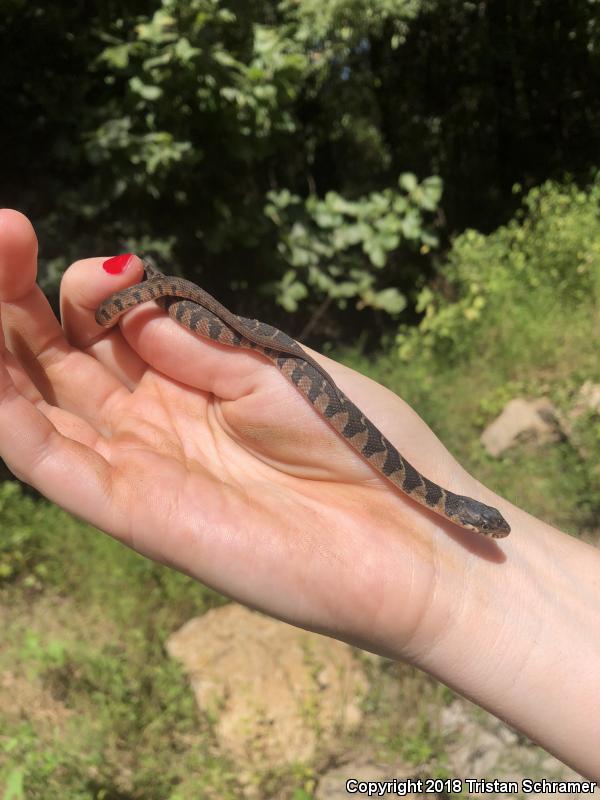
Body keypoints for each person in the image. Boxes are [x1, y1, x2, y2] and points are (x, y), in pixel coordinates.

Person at [0, 209, 598, 780]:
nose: (490, 531)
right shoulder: (422, 490)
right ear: (462, 515)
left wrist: (452, 591)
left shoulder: (427, 500)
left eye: (485, 527)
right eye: (487, 526)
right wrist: (153, 296)